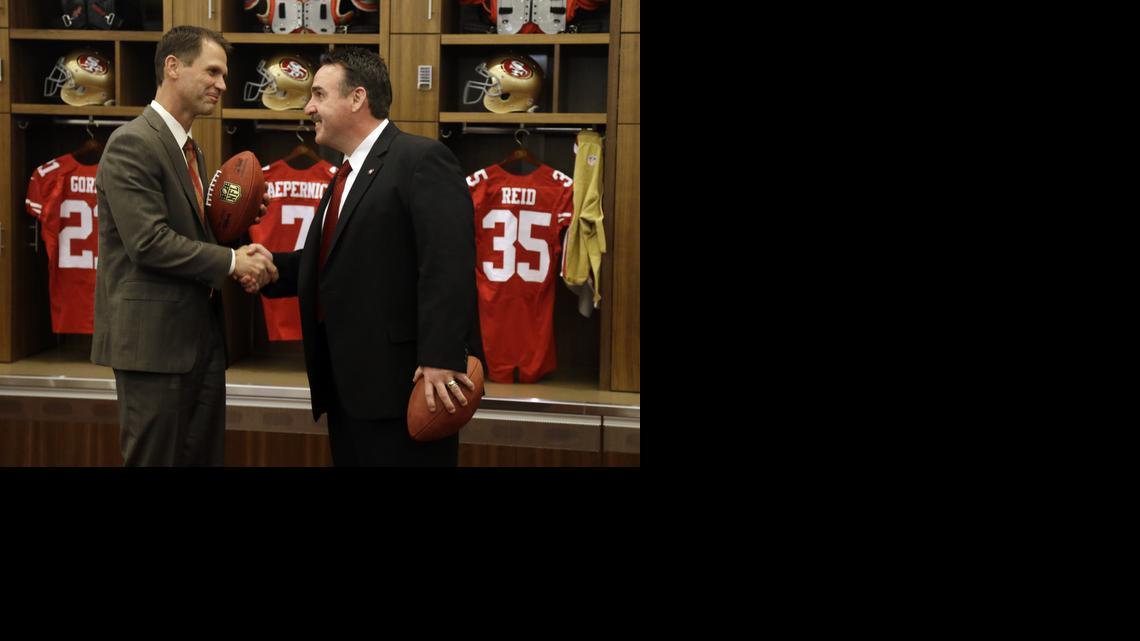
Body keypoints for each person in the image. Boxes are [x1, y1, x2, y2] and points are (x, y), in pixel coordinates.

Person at [258, 47, 482, 466]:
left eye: (319, 95)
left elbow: (447, 263)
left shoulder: (420, 158)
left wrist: (440, 358)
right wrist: (266, 267)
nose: (308, 107)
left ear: (357, 98)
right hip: (349, 388)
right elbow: (337, 261)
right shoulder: (346, 171)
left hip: (404, 389)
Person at [92, 26, 276, 466]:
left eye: (225, 75)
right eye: (212, 71)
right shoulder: (133, 143)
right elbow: (149, 243)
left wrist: (236, 231)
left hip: (200, 340)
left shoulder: (190, 149)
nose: (223, 85)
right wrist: (232, 261)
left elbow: (189, 235)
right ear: (172, 67)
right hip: (154, 347)